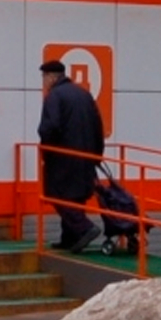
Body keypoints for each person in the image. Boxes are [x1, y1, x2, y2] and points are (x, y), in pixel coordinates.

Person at [37, 59, 104, 252]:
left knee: (56, 194)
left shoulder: (54, 96)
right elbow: (98, 126)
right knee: (76, 196)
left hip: (63, 156)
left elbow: (49, 127)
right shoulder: (84, 94)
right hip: (86, 155)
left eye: (44, 77)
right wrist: (97, 155)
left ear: (51, 77)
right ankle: (70, 238)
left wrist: (46, 151)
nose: (43, 82)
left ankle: (84, 228)